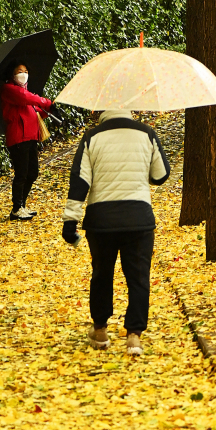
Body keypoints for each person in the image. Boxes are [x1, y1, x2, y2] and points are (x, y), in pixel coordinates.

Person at [61, 109, 170, 356]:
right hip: (138, 218)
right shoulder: (146, 133)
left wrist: (70, 221)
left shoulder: (92, 137)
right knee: (139, 277)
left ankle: (100, 330)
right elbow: (161, 175)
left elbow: (80, 182)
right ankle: (134, 336)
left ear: (101, 110)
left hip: (101, 220)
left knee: (102, 274)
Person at [1, 62, 54, 222]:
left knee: (32, 172)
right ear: (12, 74)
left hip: (31, 137)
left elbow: (33, 109)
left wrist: (45, 110)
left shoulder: (26, 93)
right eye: (19, 71)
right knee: (22, 174)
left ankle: (21, 205)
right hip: (19, 137)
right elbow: (24, 98)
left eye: (25, 71)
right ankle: (16, 208)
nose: (23, 74)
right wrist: (45, 102)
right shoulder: (9, 89)